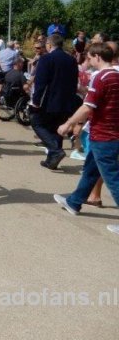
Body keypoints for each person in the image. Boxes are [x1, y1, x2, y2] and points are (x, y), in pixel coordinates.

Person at [53, 43, 119, 230]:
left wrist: (68, 124)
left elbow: (87, 107)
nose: (87, 61)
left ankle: (75, 202)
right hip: (111, 133)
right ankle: (74, 202)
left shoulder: (102, 78)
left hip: (104, 135)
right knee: (91, 170)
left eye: (89, 58)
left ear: (98, 57)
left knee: (113, 179)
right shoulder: (116, 75)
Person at [30, 34, 80, 171]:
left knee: (36, 122)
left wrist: (36, 100)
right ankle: (52, 160)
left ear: (50, 45)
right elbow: (75, 81)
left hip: (50, 100)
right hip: (67, 99)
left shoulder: (46, 59)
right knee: (57, 128)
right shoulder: (71, 60)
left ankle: (55, 150)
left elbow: (41, 82)